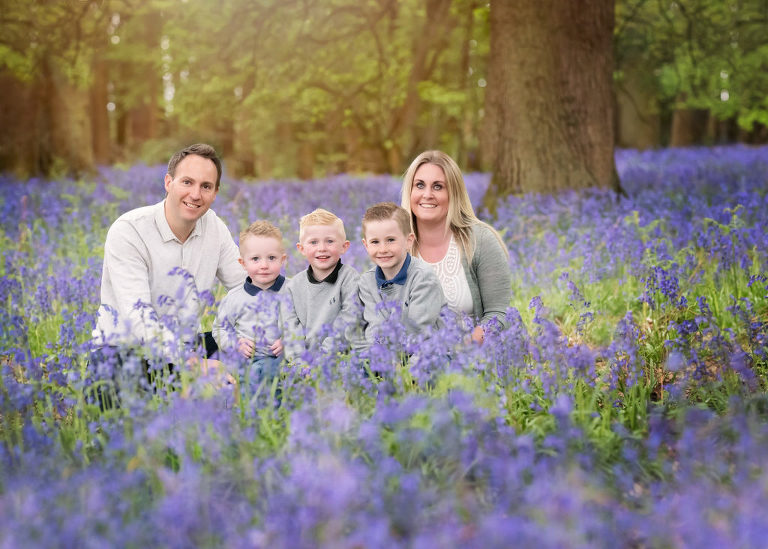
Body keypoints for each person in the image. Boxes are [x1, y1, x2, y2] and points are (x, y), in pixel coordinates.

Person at [93, 143, 245, 359]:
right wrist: (194, 366)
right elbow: (139, 317)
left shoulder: (214, 227)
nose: (195, 194)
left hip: (186, 345)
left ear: (215, 193)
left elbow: (245, 284)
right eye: (187, 182)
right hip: (126, 351)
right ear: (168, 182)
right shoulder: (129, 230)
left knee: (257, 339)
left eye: (206, 186)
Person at [400, 150, 511, 343]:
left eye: (438, 186)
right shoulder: (396, 247)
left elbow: (498, 314)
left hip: (473, 359)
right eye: (419, 185)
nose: (427, 194)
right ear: (410, 191)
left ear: (453, 193)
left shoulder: (480, 240)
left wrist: (461, 354)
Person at [357, 202, 446, 349]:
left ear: (408, 241)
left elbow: (417, 330)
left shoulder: (423, 277)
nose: (383, 249)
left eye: (391, 240)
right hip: (388, 354)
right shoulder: (366, 282)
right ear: (366, 245)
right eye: (375, 242)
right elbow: (374, 327)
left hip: (426, 352)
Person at [212, 220, 287, 392]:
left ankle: (277, 412)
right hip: (247, 360)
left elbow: (307, 322)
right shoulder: (234, 298)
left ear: (282, 260)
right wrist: (235, 343)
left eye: (272, 258)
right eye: (255, 259)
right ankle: (250, 413)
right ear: (243, 263)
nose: (264, 265)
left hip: (283, 358)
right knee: (244, 379)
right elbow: (219, 329)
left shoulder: (292, 290)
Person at [283, 208, 360, 359]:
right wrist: (299, 362)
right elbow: (290, 330)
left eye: (330, 241)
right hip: (303, 364)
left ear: (344, 246)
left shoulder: (350, 280)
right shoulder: (293, 287)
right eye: (313, 242)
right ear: (301, 248)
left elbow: (348, 323)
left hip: (338, 358)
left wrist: (322, 358)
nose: (322, 248)